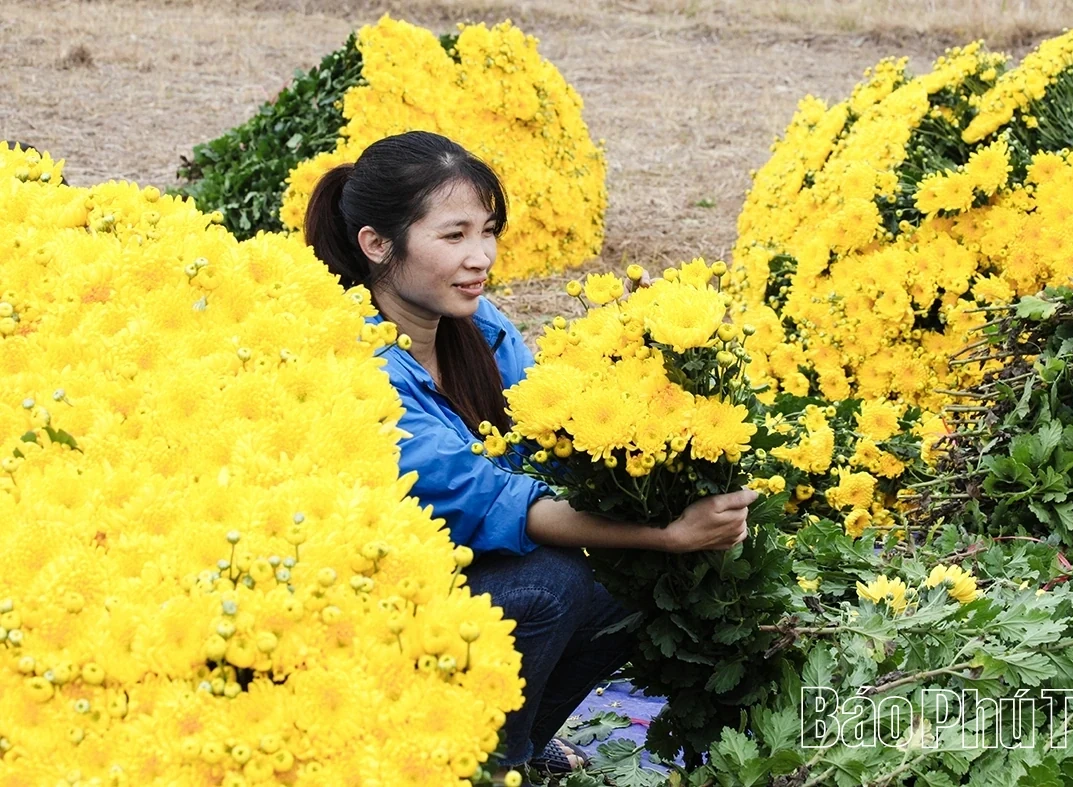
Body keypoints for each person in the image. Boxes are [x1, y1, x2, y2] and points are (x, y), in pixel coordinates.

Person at [304, 131, 756, 776]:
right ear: (377, 244)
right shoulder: (357, 363)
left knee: (622, 582)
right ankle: (476, 767)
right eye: (454, 236)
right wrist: (665, 533)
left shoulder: (480, 327)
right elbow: (491, 501)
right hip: (372, 609)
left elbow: (556, 429)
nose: (481, 256)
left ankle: (514, 748)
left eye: (487, 231)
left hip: (469, 575)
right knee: (555, 583)